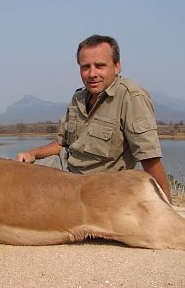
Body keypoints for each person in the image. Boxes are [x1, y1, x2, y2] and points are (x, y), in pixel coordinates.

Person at [16, 34, 172, 203]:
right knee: (13, 175)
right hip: (65, 171)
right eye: (85, 67)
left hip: (97, 187)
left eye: (100, 66)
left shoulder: (130, 97)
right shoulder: (78, 98)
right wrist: (32, 154)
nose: (92, 74)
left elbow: (149, 158)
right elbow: (62, 144)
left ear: (117, 66)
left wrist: (166, 207)